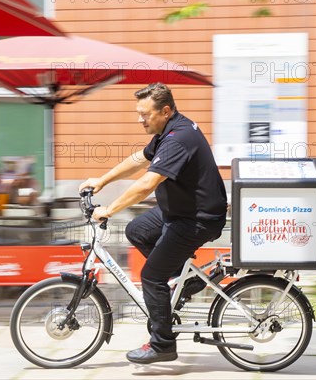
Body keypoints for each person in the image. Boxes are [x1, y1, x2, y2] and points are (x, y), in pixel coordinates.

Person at [79, 83, 227, 364]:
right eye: (139, 113)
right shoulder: (167, 131)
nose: (140, 119)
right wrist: (101, 180)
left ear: (166, 110)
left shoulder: (177, 138)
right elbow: (138, 160)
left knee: (150, 276)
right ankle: (183, 283)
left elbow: (146, 184)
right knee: (137, 230)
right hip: (180, 211)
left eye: (145, 114)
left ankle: (162, 344)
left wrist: (108, 209)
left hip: (197, 219)